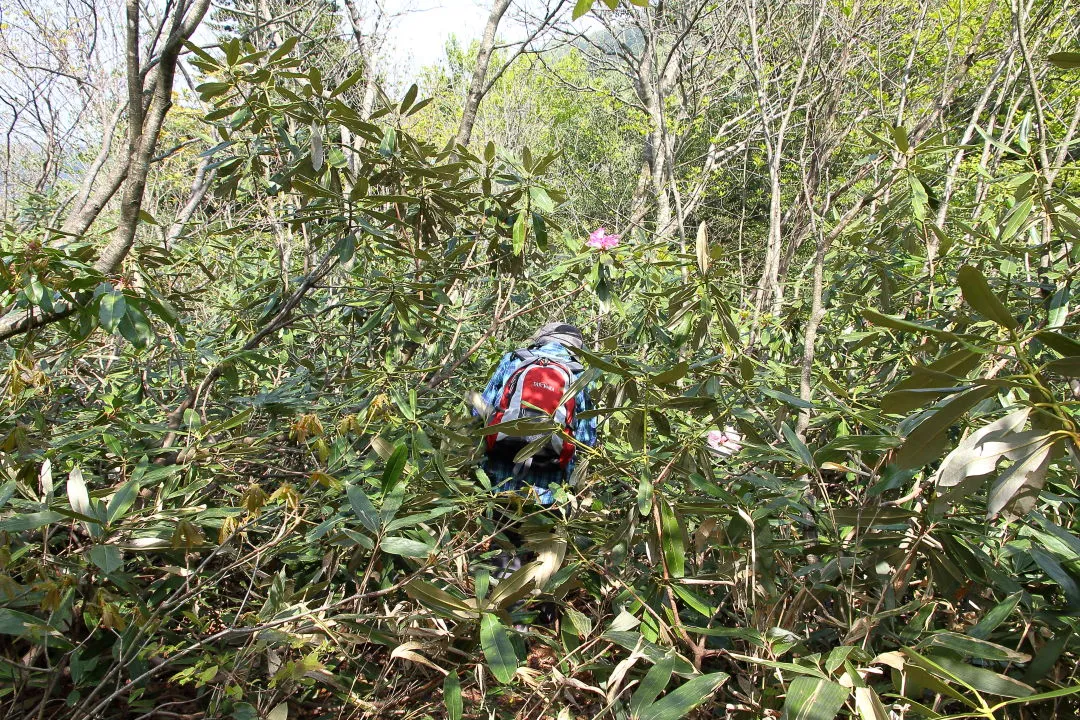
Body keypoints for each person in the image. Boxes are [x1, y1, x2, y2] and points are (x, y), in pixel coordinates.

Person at [474, 322, 597, 505]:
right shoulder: (581, 376)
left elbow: (479, 410)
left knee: (489, 532)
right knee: (536, 531)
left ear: (542, 337)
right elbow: (586, 440)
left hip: (494, 482)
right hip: (547, 492)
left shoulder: (512, 360)